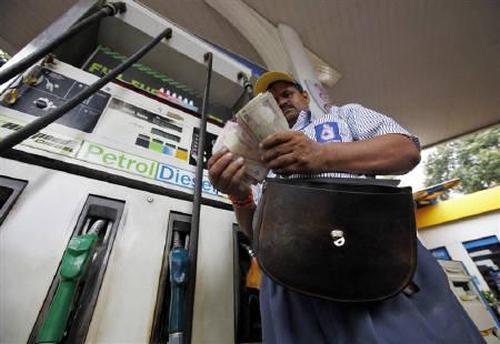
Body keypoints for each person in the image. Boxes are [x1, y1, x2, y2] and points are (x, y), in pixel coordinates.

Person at [208, 71, 484, 343]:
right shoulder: (255, 153)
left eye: (287, 93)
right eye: (271, 98)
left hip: (371, 252)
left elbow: (405, 150)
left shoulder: (344, 115)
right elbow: (258, 234)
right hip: (289, 275)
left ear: (305, 97)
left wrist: (322, 155)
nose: (280, 102)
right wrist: (240, 197)